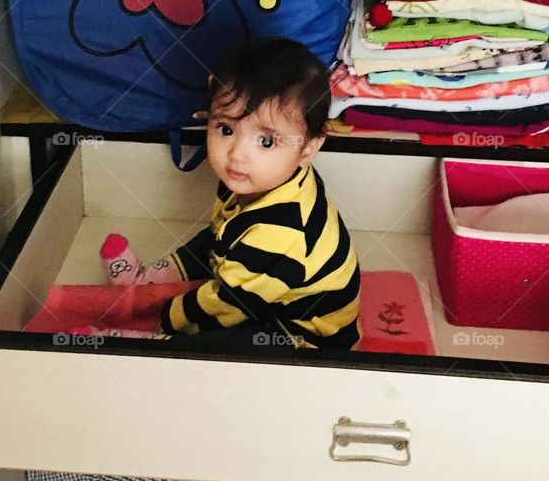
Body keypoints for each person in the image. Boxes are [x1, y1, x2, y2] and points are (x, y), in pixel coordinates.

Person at [100, 37, 361, 351]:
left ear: (308, 148)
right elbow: (222, 235)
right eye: (225, 129)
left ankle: (153, 345)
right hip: (257, 280)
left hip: (301, 337)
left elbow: (229, 304)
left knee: (235, 342)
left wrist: (166, 316)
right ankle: (151, 281)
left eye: (266, 142)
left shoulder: (280, 236)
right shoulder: (261, 178)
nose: (236, 154)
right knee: (215, 240)